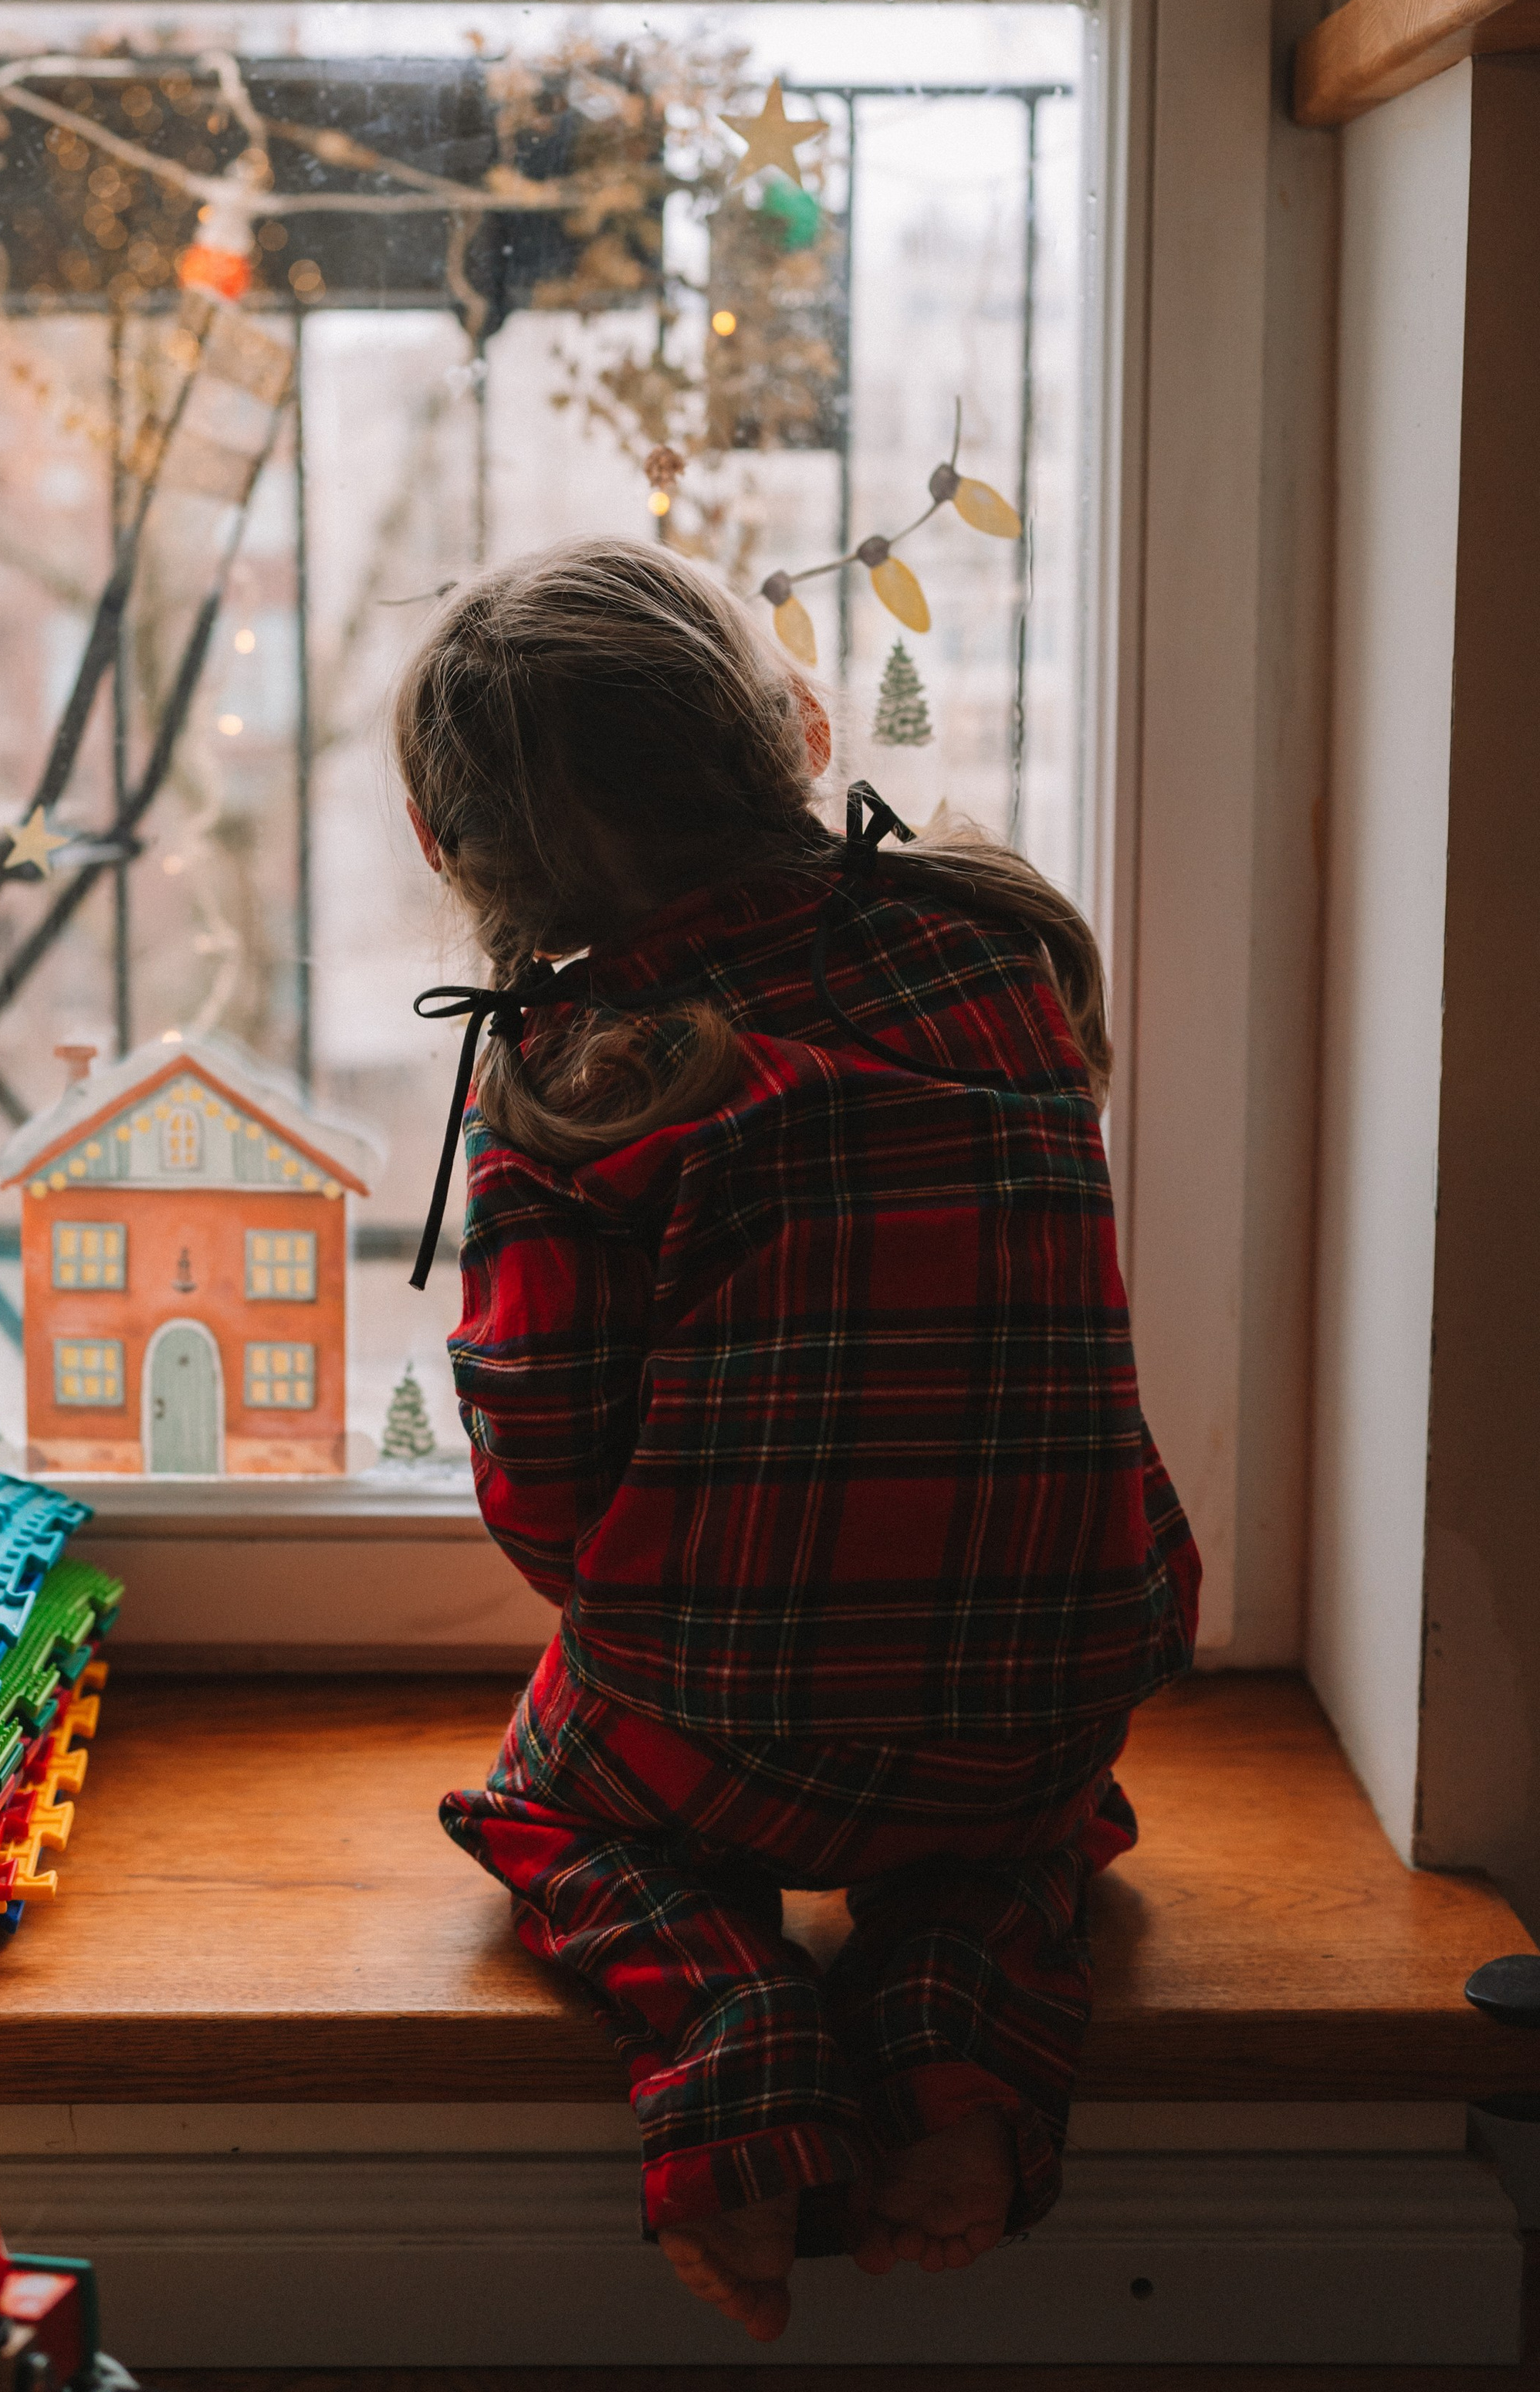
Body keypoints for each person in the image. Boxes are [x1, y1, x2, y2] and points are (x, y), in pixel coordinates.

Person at [394, 538, 1199, 2343]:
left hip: (731, 1730)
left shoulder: (588, 1084)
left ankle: (733, 2038)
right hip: (1045, 1683)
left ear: (460, 859)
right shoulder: (990, 949)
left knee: (546, 1801)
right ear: (794, 723)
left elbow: (546, 1498)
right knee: (1033, 1817)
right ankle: (948, 2030)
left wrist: (650, 1612)